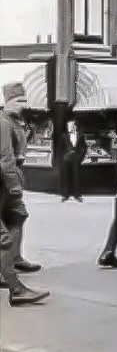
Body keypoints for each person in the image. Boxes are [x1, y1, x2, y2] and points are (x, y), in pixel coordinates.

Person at [0, 81, 49, 305]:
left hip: (9, 180)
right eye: (17, 102)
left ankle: (12, 263)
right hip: (5, 181)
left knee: (18, 217)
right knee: (5, 240)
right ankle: (15, 288)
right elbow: (5, 160)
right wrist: (14, 186)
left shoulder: (13, 121)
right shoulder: (4, 123)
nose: (22, 106)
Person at [59, 120, 87, 202]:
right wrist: (63, 158)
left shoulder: (81, 135)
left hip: (76, 159)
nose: (70, 128)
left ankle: (77, 195)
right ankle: (65, 195)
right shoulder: (64, 136)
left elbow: (84, 147)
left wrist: (80, 157)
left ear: (75, 126)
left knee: (76, 177)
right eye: (68, 126)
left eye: (71, 126)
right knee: (66, 177)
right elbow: (60, 148)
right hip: (66, 159)